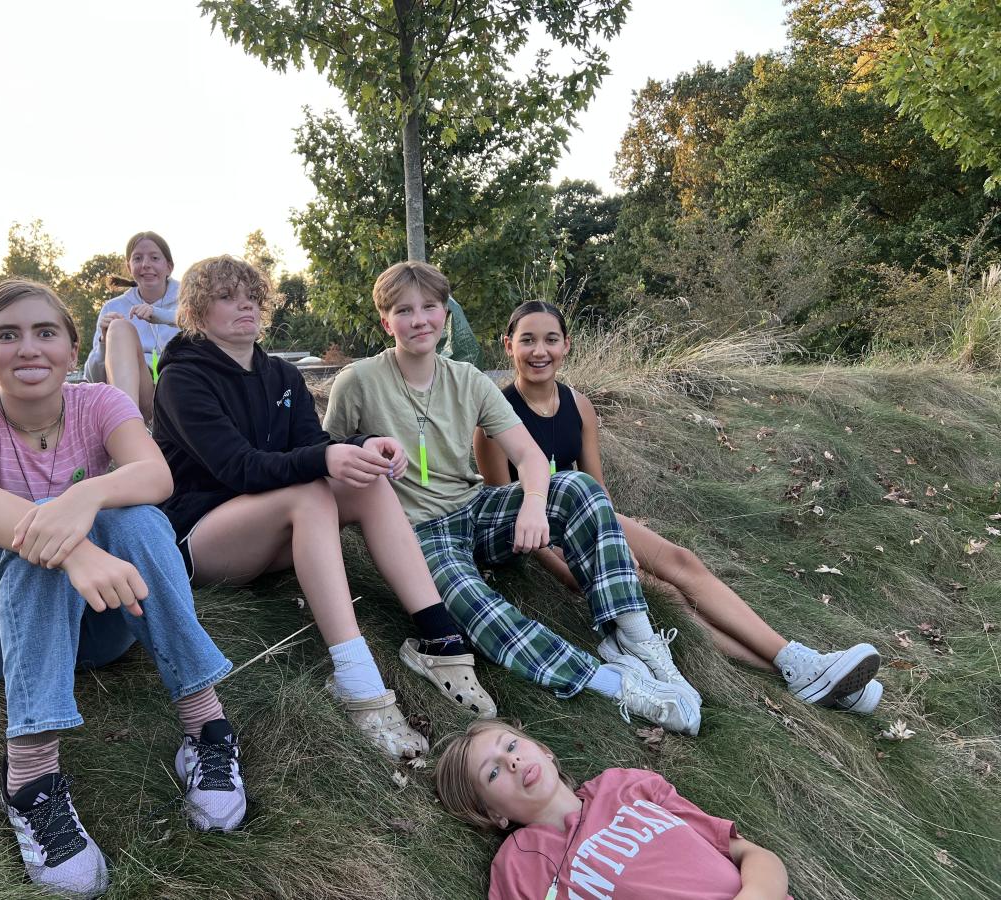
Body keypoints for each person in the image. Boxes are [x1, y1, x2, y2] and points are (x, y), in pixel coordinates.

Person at [0, 279, 243, 898]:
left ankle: (206, 727)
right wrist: (68, 540)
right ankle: (32, 778)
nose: (28, 349)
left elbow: (154, 476)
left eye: (45, 333)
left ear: (73, 350)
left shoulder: (99, 402)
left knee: (142, 519)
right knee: (32, 541)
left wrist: (85, 496)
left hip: (97, 613)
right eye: (6, 335)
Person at [323, 261, 702, 736]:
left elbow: (528, 455)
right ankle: (614, 684)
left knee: (579, 489)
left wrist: (533, 502)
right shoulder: (357, 381)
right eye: (404, 310)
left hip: (475, 508)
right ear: (386, 321)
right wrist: (361, 452)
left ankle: (635, 638)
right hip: (415, 531)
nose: (419, 320)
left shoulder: (468, 379)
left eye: (430, 307)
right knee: (472, 603)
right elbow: (328, 454)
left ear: (445, 314)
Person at [152, 255, 496, 762]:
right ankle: (357, 680)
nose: (243, 304)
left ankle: (439, 639)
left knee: (366, 481)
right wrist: (324, 458)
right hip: (204, 537)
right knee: (311, 488)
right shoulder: (182, 379)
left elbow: (313, 444)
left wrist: (367, 445)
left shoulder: (283, 376)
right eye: (226, 297)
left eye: (251, 295)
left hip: (274, 528)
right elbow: (238, 468)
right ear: (198, 312)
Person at [474, 301, 882, 713]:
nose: (539, 351)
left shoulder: (579, 405)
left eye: (550, 339)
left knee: (680, 561)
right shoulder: (494, 420)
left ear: (567, 345)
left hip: (591, 517)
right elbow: (506, 512)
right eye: (527, 340)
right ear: (509, 346)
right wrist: (569, 572)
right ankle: (804, 677)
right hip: (545, 536)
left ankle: (798, 662)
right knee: (665, 592)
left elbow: (596, 487)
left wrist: (610, 540)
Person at [436, 720, 792, 900]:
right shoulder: (517, 865)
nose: (512, 761)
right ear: (492, 813)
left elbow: (749, 852)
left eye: (511, 745)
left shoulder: (625, 786)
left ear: (544, 750)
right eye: (493, 772)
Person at [83, 231, 180, 422]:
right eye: (137, 258)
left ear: (169, 267)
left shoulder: (191, 301)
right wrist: (104, 342)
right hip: (139, 397)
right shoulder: (113, 308)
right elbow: (93, 378)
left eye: (154, 257)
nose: (145, 264)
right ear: (129, 267)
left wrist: (162, 316)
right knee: (119, 328)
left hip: (181, 389)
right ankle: (129, 429)